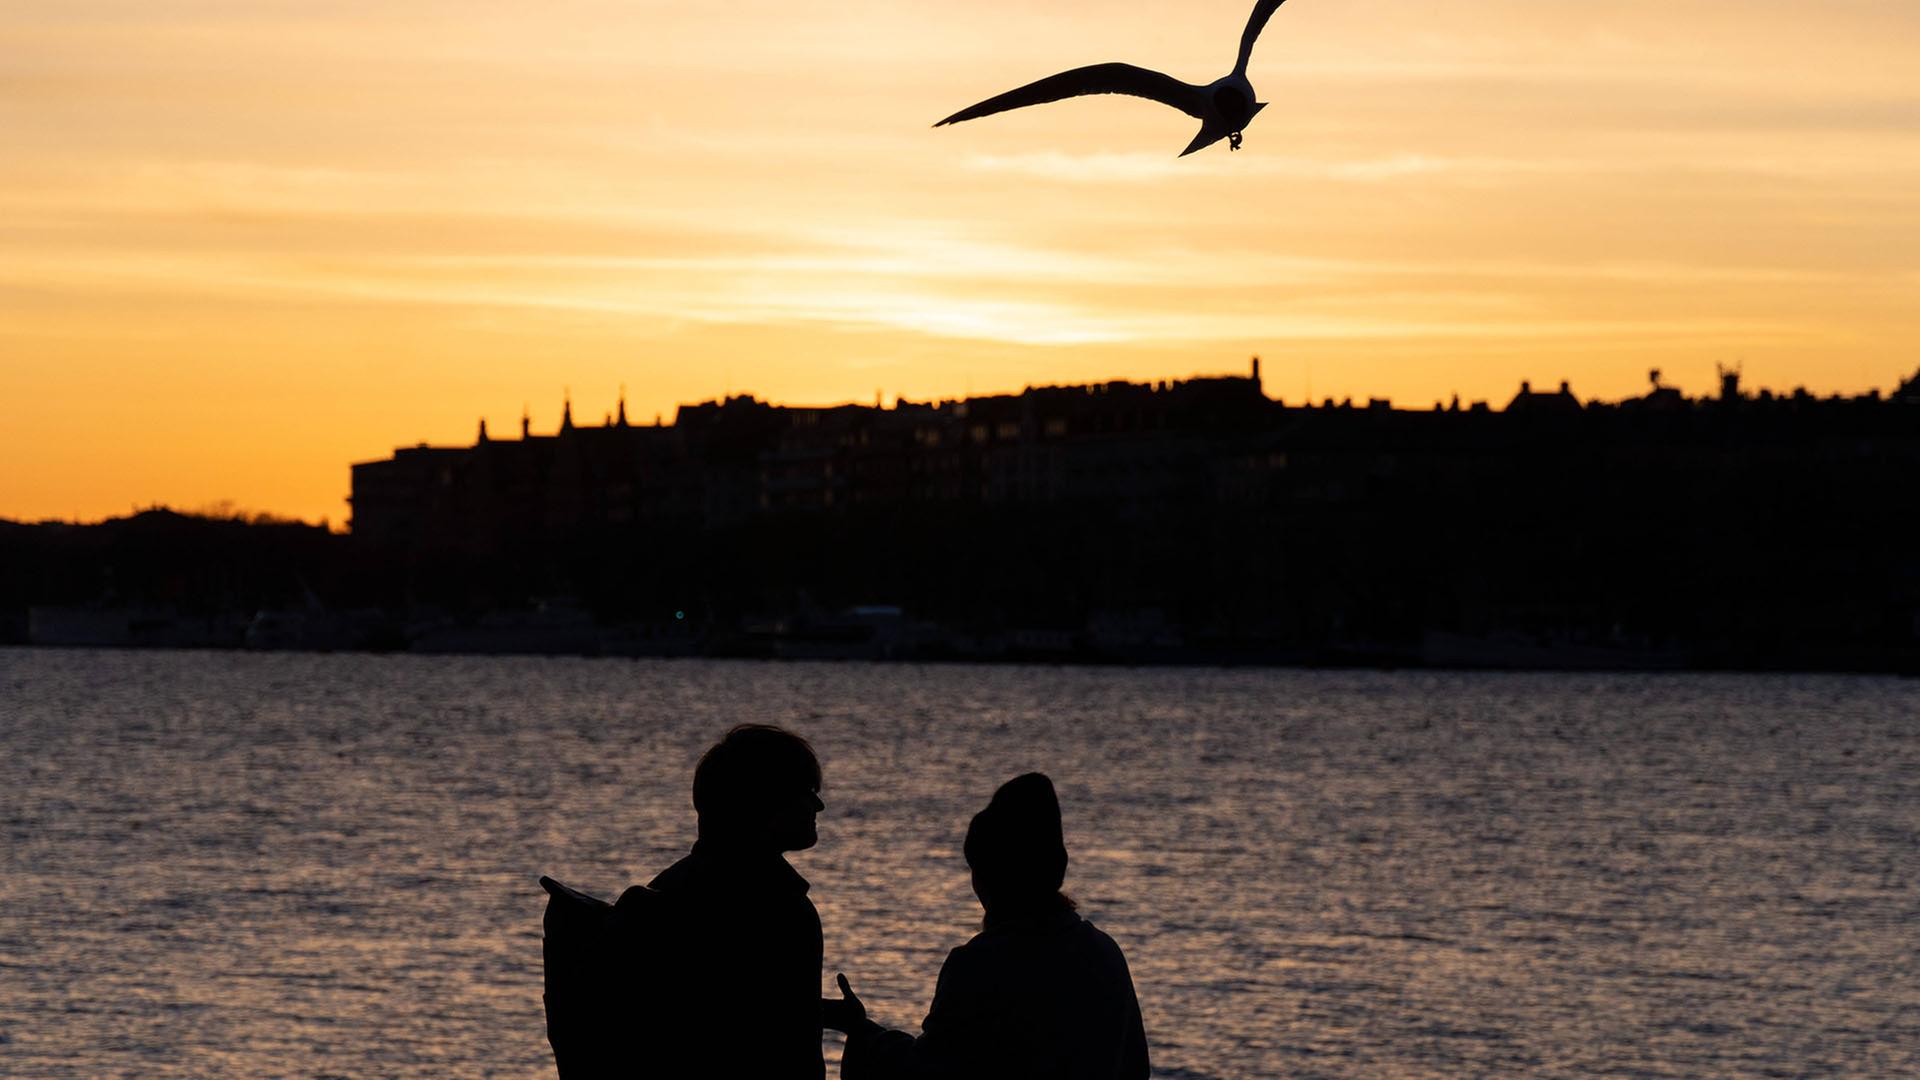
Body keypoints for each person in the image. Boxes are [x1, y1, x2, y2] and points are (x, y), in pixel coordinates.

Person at [825, 772, 1150, 1080]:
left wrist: (861, 1032)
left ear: (989, 878)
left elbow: (929, 1070)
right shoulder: (1105, 953)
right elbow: (1135, 1067)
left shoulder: (978, 964)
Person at [645, 724, 828, 1080]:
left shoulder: (664, 892)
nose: (818, 805)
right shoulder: (784, 912)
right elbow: (794, 1055)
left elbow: (717, 1007)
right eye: (807, 792)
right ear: (768, 803)